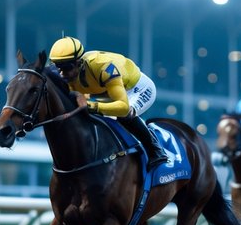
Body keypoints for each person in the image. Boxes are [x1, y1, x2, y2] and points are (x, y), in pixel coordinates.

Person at [48, 36, 168, 169]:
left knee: (124, 115)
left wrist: (89, 106)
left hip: (136, 89)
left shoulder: (104, 67)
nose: (63, 73)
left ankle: (155, 150)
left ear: (79, 62)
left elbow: (123, 107)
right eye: (59, 67)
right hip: (105, 92)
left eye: (67, 68)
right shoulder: (59, 72)